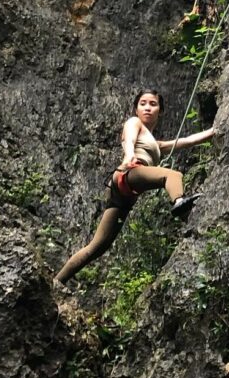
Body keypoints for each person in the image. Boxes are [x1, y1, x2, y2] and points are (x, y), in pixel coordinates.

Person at [54, 89, 214, 285]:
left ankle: (57, 281)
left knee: (98, 246)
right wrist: (130, 155)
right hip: (129, 174)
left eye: (153, 104)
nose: (147, 107)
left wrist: (214, 131)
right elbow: (129, 139)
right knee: (172, 175)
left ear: (160, 111)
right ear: (136, 109)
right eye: (143, 103)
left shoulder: (155, 143)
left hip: (125, 194)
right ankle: (180, 203)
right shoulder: (134, 122)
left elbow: (186, 141)